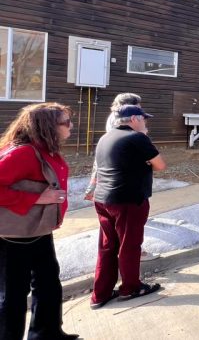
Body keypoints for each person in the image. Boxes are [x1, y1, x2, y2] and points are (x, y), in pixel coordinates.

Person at [0, 103, 79, 340]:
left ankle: (47, 333)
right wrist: (37, 198)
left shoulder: (44, 149)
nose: (71, 126)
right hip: (14, 236)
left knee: (48, 285)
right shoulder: (23, 153)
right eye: (66, 122)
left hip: (39, 230)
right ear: (47, 127)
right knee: (13, 294)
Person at [90, 105, 166, 309]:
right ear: (134, 118)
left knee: (107, 247)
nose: (145, 123)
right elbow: (160, 165)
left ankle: (101, 293)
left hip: (103, 199)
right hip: (128, 200)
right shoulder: (137, 138)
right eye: (143, 119)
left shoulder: (105, 137)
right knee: (129, 245)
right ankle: (131, 287)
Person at [86, 92, 158, 262]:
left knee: (111, 232)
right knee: (127, 231)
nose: (141, 113)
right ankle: (131, 275)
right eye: (139, 109)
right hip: (121, 181)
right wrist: (143, 138)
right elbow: (155, 161)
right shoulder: (121, 122)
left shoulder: (116, 118)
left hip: (108, 175)